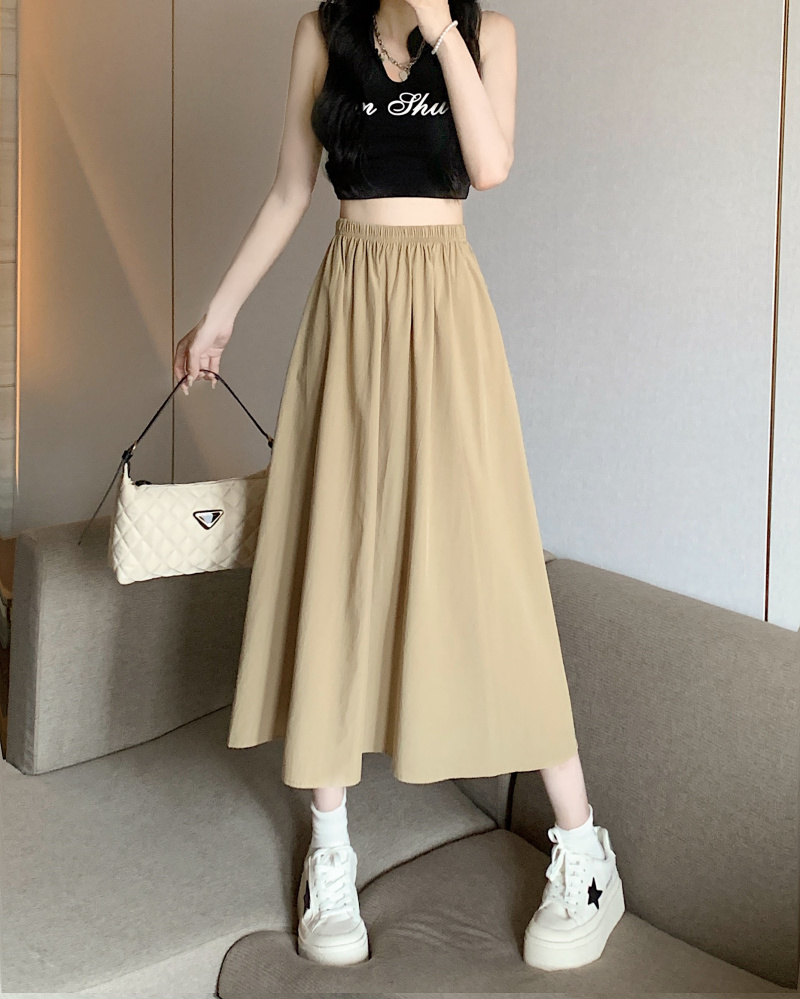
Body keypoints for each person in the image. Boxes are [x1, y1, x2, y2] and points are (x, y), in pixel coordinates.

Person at [172, 0, 625, 974]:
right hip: (348, 309)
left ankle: (583, 848)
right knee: (335, 560)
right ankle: (330, 852)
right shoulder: (320, 33)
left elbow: (490, 166)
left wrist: (443, 30)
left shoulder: (490, 36)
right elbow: (291, 190)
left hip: (445, 315)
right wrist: (220, 312)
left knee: (492, 567)